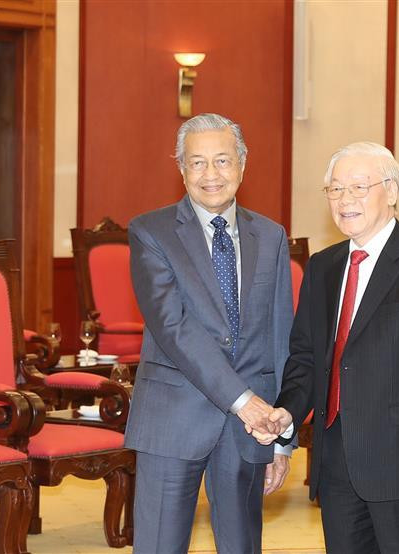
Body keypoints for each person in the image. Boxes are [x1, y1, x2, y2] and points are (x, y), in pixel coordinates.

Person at [254, 142, 399, 553]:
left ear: (390, 191)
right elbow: (306, 358)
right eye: (335, 190)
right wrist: (287, 413)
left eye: (358, 187)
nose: (344, 200)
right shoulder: (323, 265)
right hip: (336, 464)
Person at [124, 113, 294, 554]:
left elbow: (281, 338)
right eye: (197, 163)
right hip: (172, 419)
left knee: (242, 546)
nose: (211, 175)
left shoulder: (271, 236)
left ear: (242, 164)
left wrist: (282, 439)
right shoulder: (151, 232)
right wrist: (245, 403)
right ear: (181, 169)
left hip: (252, 431)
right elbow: (173, 327)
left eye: (222, 160)